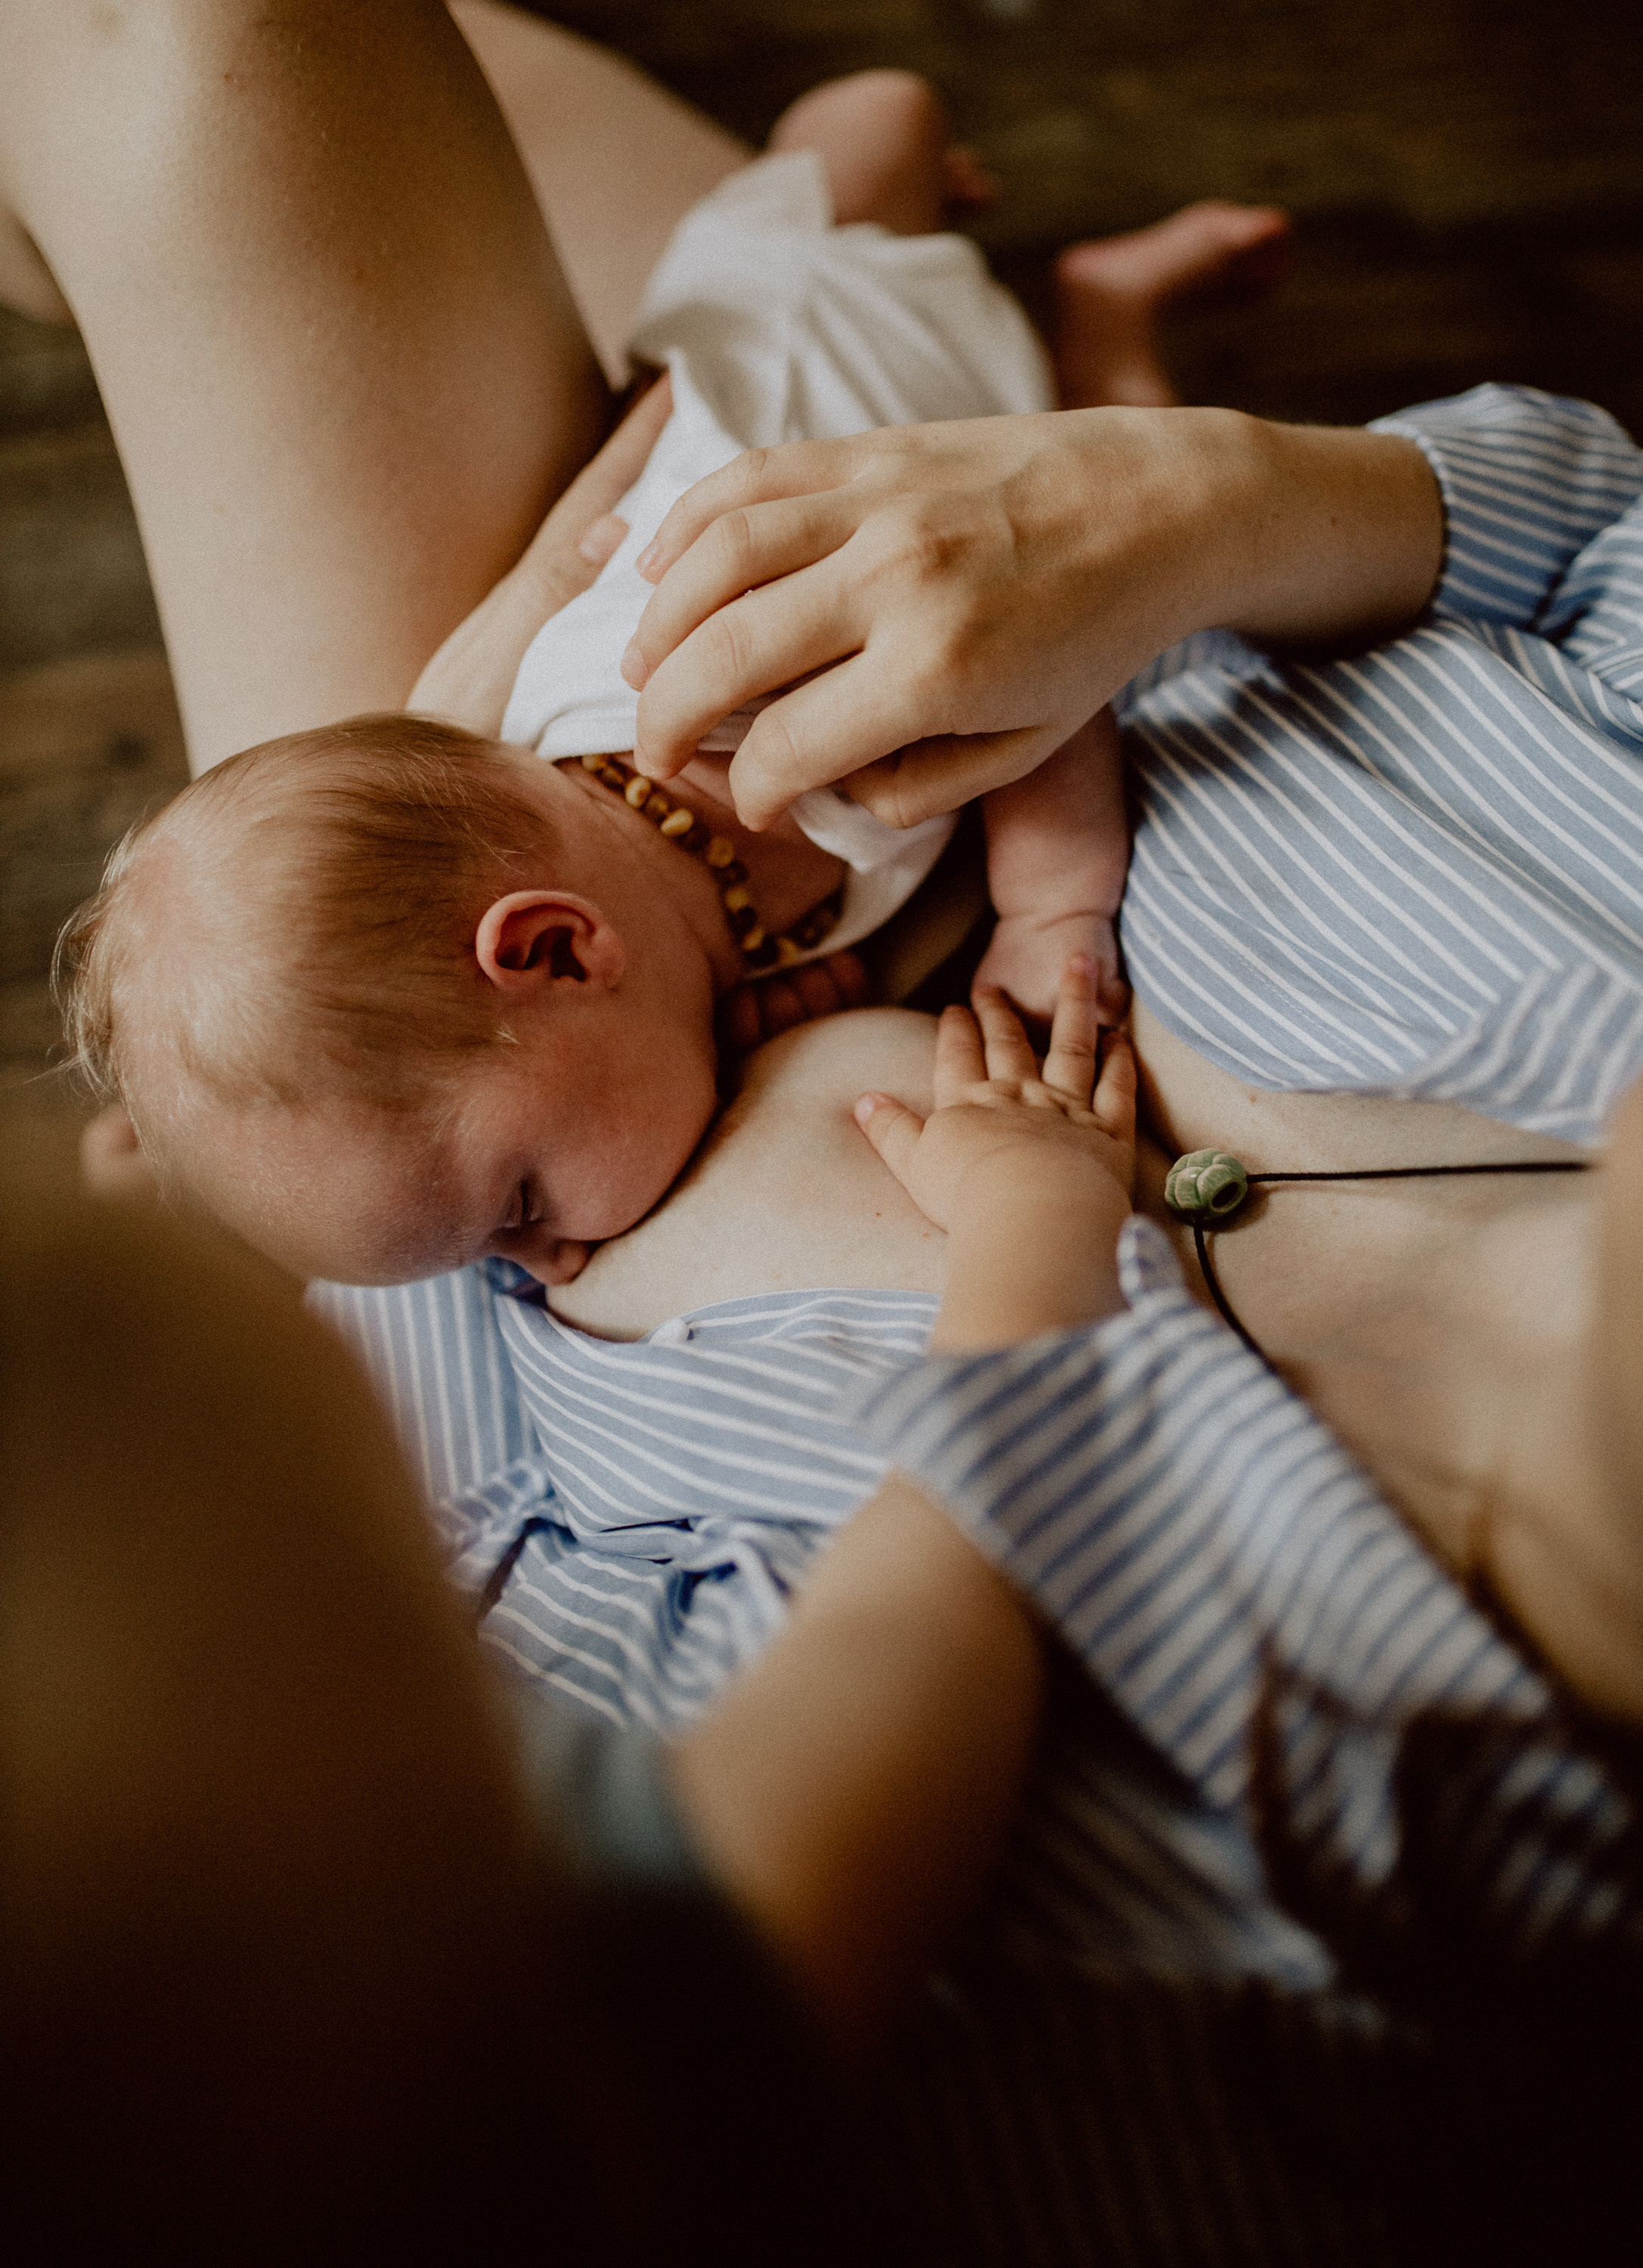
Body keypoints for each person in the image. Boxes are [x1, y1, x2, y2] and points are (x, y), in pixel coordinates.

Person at [49, 54, 1288, 1287]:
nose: (548, 1262)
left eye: (517, 1208)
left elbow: (1046, 675)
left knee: (873, 135)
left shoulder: (767, 719)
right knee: (1083, 415)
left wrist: (1048, 910)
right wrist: (741, 977)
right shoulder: (640, 908)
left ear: (554, 952)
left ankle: (889, 151)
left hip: (828, 340)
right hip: (985, 432)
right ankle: (1104, 304)